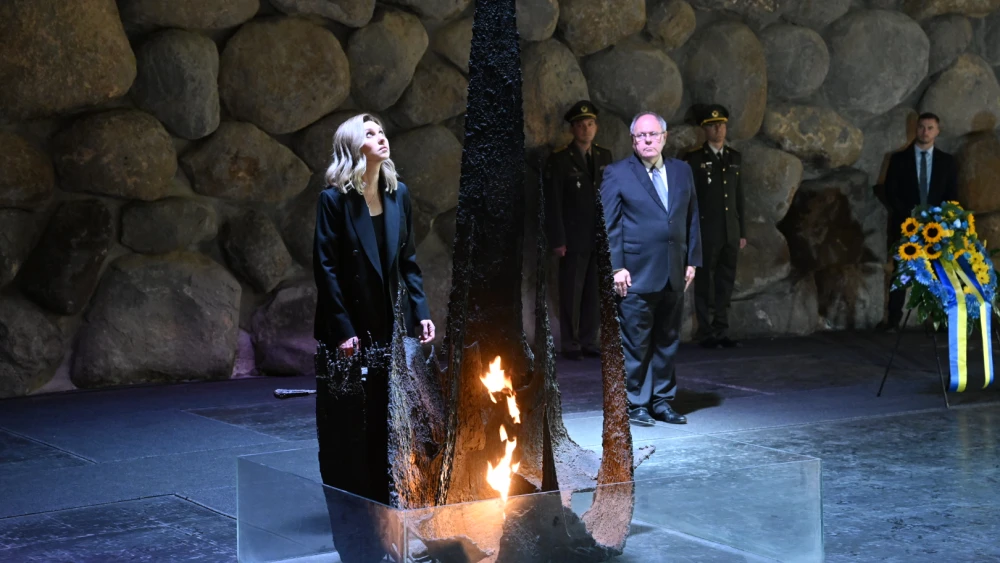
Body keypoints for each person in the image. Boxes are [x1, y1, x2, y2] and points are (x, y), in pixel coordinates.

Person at [313, 113, 435, 500]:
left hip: (387, 325)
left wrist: (421, 311)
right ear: (353, 146)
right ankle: (350, 495)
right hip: (348, 328)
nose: (381, 137)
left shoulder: (400, 193)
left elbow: (408, 261)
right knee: (349, 420)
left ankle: (387, 493)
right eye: (370, 133)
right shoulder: (333, 200)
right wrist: (343, 328)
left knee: (389, 414)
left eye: (381, 130)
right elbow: (326, 268)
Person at [601, 111, 702, 426]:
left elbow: (692, 217)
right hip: (635, 273)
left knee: (668, 339)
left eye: (653, 134)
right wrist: (616, 267)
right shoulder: (617, 174)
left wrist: (692, 260)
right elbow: (608, 224)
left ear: (664, 137)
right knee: (636, 341)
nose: (647, 140)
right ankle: (637, 403)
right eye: (641, 136)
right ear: (633, 140)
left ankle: (662, 401)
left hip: (674, 270)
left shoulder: (682, 171)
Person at [544, 100, 614, 360]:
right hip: (572, 237)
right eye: (581, 125)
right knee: (571, 292)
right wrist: (558, 239)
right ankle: (571, 344)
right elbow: (553, 203)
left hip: (599, 236)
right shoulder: (560, 159)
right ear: (572, 129)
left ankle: (588, 340)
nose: (586, 129)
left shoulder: (604, 156)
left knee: (593, 292)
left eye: (590, 124)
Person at [879, 112, 959, 331]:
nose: (925, 132)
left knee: (938, 272)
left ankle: (940, 319)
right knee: (901, 271)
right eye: (922, 127)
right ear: (916, 129)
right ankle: (893, 320)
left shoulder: (947, 162)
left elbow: (952, 194)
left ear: (937, 131)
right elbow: (890, 191)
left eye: (930, 128)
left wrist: (941, 220)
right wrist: (909, 215)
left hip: (936, 228)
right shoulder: (899, 159)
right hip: (907, 224)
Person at [684, 104, 746, 349]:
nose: (718, 129)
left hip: (730, 230)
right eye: (712, 126)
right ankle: (706, 330)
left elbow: (739, 196)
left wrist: (742, 231)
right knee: (705, 283)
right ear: (704, 130)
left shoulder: (734, 158)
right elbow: (689, 199)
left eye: (721, 124)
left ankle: (721, 328)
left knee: (725, 280)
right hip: (706, 231)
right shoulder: (695, 159)